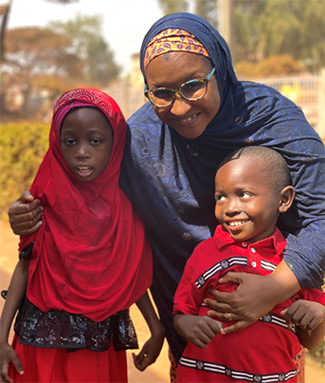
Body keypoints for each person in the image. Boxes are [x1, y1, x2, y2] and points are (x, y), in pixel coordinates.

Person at [7, 12, 325, 379]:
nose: (180, 107)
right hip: (192, 341)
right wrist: (31, 211)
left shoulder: (270, 120)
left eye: (194, 85)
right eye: (161, 93)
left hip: (274, 344)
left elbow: (320, 214)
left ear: (219, 69)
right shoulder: (141, 140)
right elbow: (88, 193)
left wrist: (273, 289)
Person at [0, 88, 165, 383]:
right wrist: (1, 339)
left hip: (97, 343)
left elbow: (128, 272)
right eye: (70, 141)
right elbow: (26, 265)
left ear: (115, 144)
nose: (82, 151)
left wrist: (156, 327)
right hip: (41, 342)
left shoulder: (126, 209)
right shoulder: (42, 201)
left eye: (95, 140)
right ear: (56, 143)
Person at [173, 146, 325, 382]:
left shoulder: (296, 261)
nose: (230, 208)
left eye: (243, 194)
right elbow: (181, 313)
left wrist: (317, 315)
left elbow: (311, 341)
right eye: (220, 197)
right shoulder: (204, 254)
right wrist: (188, 324)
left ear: (283, 199)